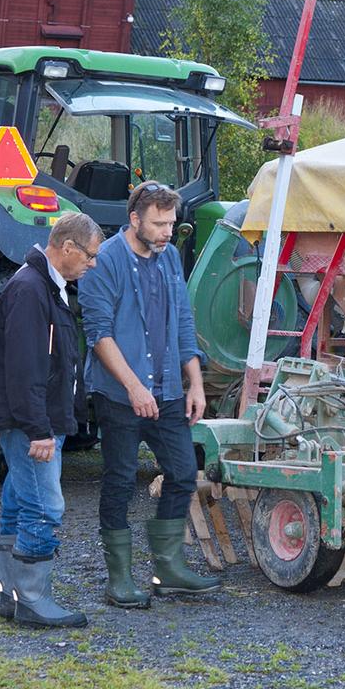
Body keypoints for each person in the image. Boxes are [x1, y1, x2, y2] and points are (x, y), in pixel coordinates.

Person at [78, 181, 220, 606]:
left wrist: (195, 382)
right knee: (120, 480)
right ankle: (118, 578)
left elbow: (181, 320)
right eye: (158, 224)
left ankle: (168, 568)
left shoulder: (170, 257)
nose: (166, 232)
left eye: (171, 224)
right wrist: (134, 386)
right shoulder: (103, 261)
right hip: (120, 395)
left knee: (181, 473)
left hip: (169, 391)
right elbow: (98, 334)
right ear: (134, 219)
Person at [0, 211, 104, 629]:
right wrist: (39, 429)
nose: (92, 264)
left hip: (36, 420)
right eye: (89, 255)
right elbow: (25, 369)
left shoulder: (47, 288)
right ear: (67, 247)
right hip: (30, 424)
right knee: (44, 506)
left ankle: (11, 596)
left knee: (18, 503)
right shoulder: (31, 291)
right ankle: (33, 598)